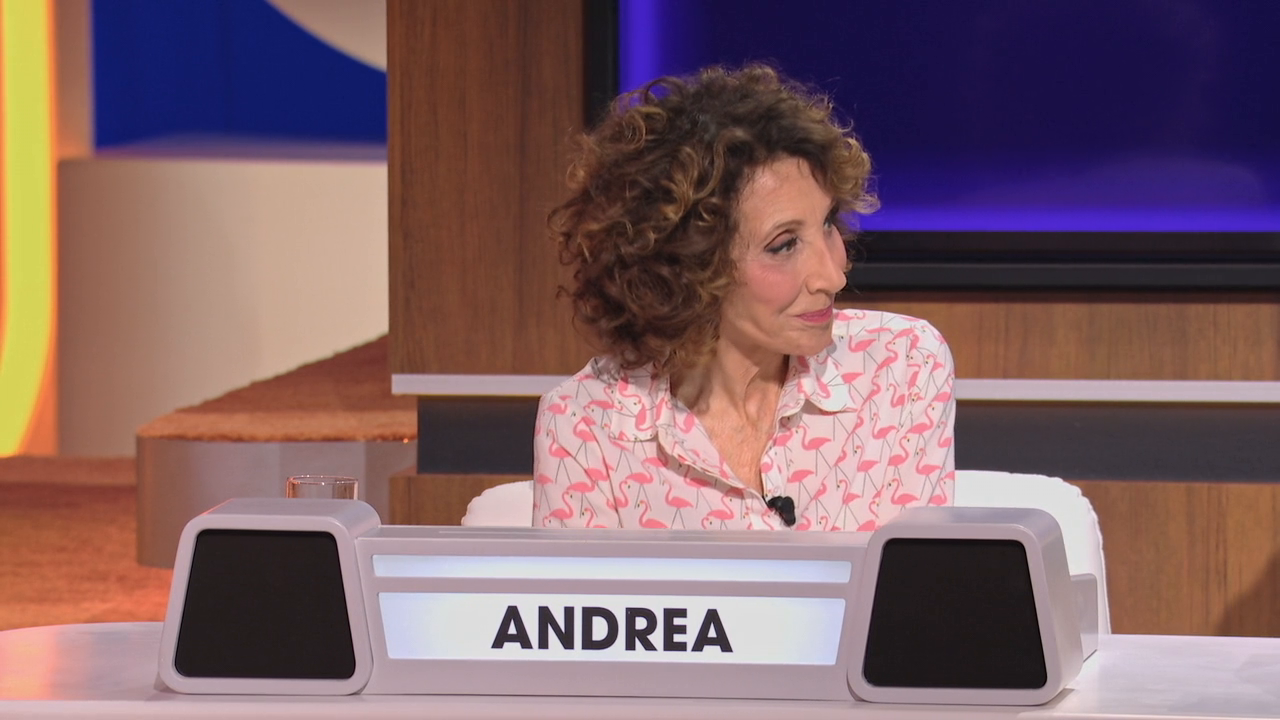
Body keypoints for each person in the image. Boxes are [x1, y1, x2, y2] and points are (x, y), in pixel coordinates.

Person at [534, 65, 954, 531]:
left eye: (828, 223)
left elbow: (915, 576)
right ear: (689, 266)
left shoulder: (899, 367)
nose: (833, 276)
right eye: (784, 245)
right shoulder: (586, 424)